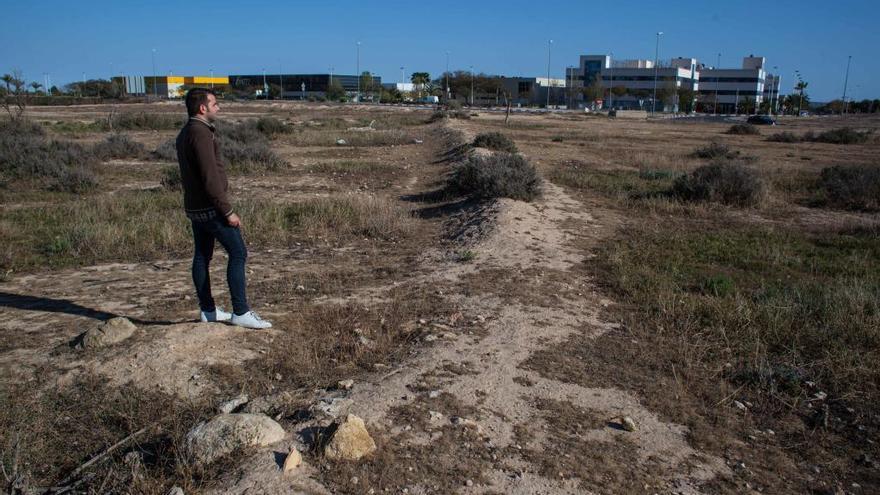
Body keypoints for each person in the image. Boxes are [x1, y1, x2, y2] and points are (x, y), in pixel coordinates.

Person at [176, 88, 272, 329]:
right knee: (238, 252)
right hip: (211, 207)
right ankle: (240, 311)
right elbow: (210, 178)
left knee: (202, 256)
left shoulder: (186, 131)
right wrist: (227, 211)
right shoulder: (200, 133)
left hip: (195, 207)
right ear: (202, 108)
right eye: (215, 104)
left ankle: (208, 311)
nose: (218, 107)